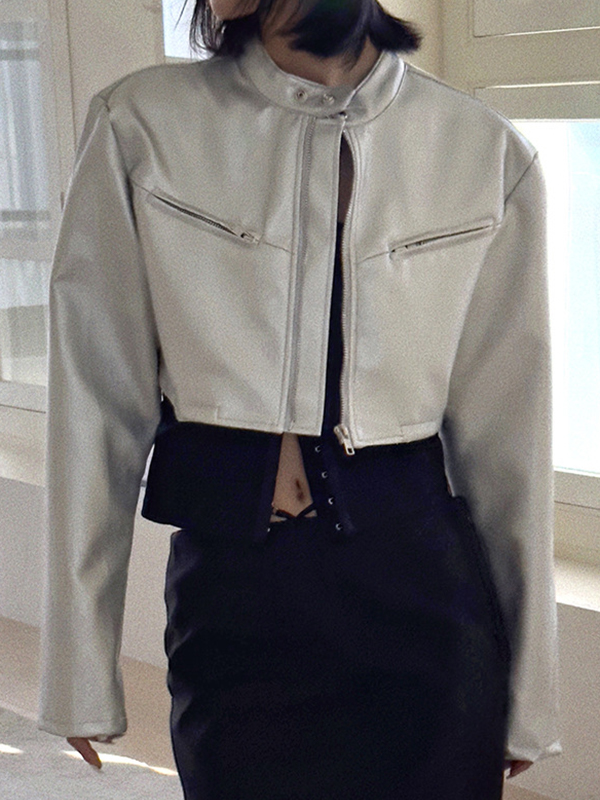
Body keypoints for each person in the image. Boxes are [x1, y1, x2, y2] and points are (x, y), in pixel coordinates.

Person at [38, 0, 562, 797]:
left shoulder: (484, 151)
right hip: (237, 605)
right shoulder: (140, 125)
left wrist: (530, 692)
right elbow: (94, 398)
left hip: (426, 608)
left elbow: (510, 442)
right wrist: (78, 664)